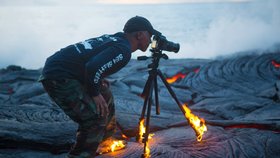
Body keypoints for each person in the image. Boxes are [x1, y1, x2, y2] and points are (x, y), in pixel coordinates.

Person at [39, 16, 159, 158]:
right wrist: (94, 94)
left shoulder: (116, 39)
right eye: (149, 35)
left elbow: (91, 60)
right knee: (94, 119)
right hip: (58, 76)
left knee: (105, 92)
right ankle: (79, 155)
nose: (151, 40)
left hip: (62, 69)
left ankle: (105, 142)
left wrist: (98, 79)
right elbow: (92, 66)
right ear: (139, 35)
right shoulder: (123, 50)